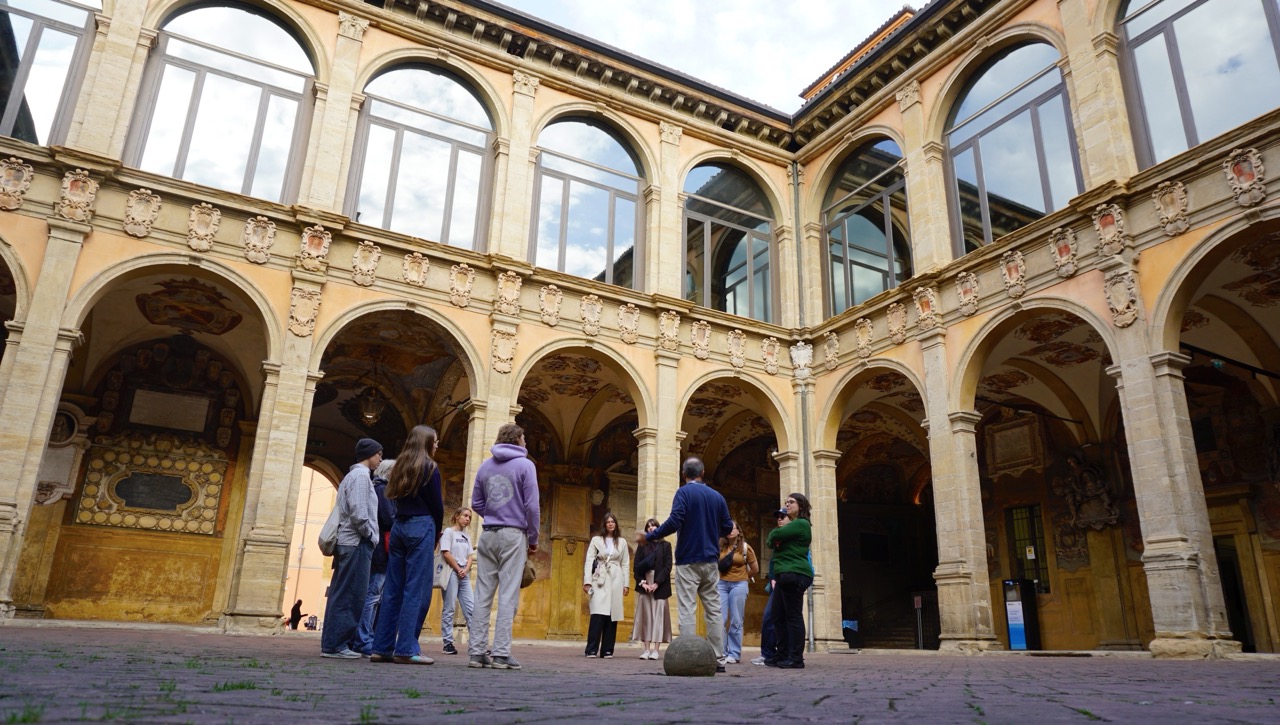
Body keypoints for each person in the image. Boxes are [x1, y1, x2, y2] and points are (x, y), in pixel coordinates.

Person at [646, 456, 733, 673]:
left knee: (687, 607)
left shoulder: (683, 492)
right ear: (702, 473)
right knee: (714, 609)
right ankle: (719, 658)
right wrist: (712, 530)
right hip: (711, 560)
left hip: (687, 559)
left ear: (684, 475)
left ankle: (688, 655)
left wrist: (652, 535)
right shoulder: (717, 496)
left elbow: (675, 521)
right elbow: (728, 527)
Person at [468, 423, 540, 671]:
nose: (526, 443)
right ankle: (500, 654)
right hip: (513, 534)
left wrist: (493, 513)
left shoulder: (485, 466)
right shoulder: (526, 465)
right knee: (508, 594)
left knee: (482, 594)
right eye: (524, 438)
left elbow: (476, 502)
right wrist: (533, 538)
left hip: (487, 533)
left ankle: (476, 653)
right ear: (518, 439)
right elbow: (532, 506)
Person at [371, 426, 444, 665]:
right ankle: (406, 648)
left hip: (399, 526)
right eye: (434, 441)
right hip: (421, 525)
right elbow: (437, 506)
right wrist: (437, 533)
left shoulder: (399, 465)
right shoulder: (430, 467)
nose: (437, 445)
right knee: (416, 589)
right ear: (426, 442)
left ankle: (381, 647)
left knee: (392, 589)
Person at [320, 438, 382, 659]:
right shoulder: (361, 477)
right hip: (356, 542)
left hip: (350, 541)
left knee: (341, 592)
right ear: (369, 454)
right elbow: (358, 512)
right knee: (351, 595)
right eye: (378, 454)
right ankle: (337, 645)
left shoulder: (352, 476)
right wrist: (370, 535)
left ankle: (332, 643)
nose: (380, 458)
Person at [765, 492, 813, 669]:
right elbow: (771, 542)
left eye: (791, 502)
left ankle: (796, 658)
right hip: (784, 574)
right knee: (778, 615)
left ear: (801, 505)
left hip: (795, 573)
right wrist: (777, 537)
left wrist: (778, 537)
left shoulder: (801, 524)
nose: (787, 505)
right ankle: (782, 653)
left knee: (793, 616)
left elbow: (773, 535)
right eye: (786, 502)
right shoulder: (791, 527)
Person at [356, 458, 395, 655]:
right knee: (373, 595)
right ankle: (363, 639)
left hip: (379, 550)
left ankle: (366, 637)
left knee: (374, 595)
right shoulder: (382, 490)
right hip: (381, 551)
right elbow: (388, 518)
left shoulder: (379, 488)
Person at [582, 512, 630, 658]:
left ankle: (607, 649)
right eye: (608, 521)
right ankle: (591, 649)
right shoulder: (596, 540)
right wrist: (587, 581)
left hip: (616, 577)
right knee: (597, 612)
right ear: (604, 524)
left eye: (613, 521)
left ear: (616, 524)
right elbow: (589, 560)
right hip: (599, 577)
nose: (610, 524)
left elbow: (626, 564)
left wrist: (626, 584)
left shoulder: (622, 542)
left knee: (612, 614)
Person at [717, 520, 758, 665]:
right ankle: (721, 652)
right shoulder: (720, 547)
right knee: (719, 619)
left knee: (736, 619)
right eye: (727, 528)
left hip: (739, 585)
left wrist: (744, 578)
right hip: (721, 584)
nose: (730, 531)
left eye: (732, 528)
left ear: (738, 531)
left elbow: (755, 568)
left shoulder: (746, 548)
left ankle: (733, 653)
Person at [752, 508, 789, 666]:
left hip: (788, 580)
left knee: (783, 619)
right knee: (770, 618)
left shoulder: (793, 536)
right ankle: (769, 653)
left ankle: (786, 654)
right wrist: (773, 577)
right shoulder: (777, 537)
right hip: (777, 581)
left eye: (783, 517)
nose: (779, 519)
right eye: (778, 517)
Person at [631, 518, 672, 660]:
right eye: (648, 526)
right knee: (646, 617)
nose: (651, 528)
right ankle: (646, 649)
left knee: (658, 617)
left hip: (660, 585)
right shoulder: (643, 546)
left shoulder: (666, 545)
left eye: (654, 526)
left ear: (658, 528)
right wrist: (643, 583)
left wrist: (656, 584)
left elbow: (668, 567)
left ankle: (656, 650)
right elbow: (636, 566)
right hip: (645, 584)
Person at [439, 507, 477, 655]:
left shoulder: (466, 536)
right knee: (449, 608)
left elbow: (470, 555)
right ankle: (447, 643)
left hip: (464, 574)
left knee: (471, 609)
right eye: (465, 516)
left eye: (469, 517)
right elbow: (446, 553)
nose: (467, 519)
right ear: (457, 516)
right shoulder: (449, 532)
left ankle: (476, 644)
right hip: (451, 572)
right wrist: (458, 569)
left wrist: (466, 569)